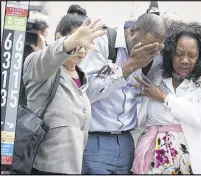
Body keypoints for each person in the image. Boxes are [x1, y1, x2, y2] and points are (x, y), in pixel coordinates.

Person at [131, 20, 201, 174]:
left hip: (191, 163)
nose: (185, 60)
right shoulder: (156, 76)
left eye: (192, 55)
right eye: (179, 54)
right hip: (153, 162)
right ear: (170, 53)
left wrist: (165, 98)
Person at [22, 5, 106, 174]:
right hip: (43, 168)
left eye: (87, 44)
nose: (82, 51)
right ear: (59, 37)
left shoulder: (83, 78)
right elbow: (49, 57)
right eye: (78, 43)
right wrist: (70, 42)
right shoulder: (40, 66)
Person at [81, 13, 167, 174]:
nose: (147, 53)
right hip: (96, 139)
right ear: (132, 31)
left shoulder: (154, 54)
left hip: (127, 140)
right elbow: (87, 93)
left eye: (153, 50)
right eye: (144, 47)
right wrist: (129, 66)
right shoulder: (103, 42)